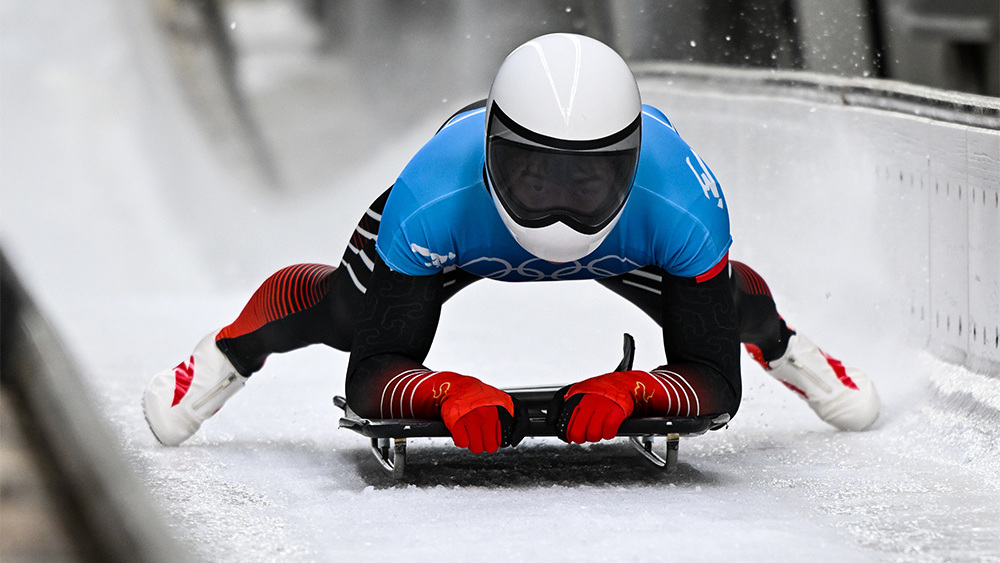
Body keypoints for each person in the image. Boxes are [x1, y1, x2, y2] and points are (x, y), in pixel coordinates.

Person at [142, 33, 880, 453]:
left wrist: (639, 388)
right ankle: (228, 351)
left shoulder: (683, 199)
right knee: (341, 311)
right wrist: (439, 389)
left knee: (724, 304)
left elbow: (716, 383)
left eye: (586, 180)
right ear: (495, 152)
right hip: (470, 232)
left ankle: (790, 349)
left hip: (597, 234)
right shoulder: (432, 195)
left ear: (627, 163)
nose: (558, 205)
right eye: (536, 175)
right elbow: (372, 372)